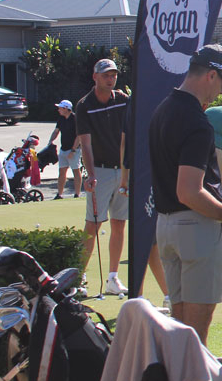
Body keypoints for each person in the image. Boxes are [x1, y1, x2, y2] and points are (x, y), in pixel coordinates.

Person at [148, 44, 222, 343]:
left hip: (166, 226)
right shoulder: (197, 121)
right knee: (195, 339)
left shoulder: (162, 109)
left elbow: (183, 184)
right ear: (211, 75)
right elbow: (188, 191)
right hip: (194, 230)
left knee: (179, 333)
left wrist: (221, 201)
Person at [76, 58, 166, 299]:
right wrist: (91, 174)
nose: (111, 78)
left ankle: (113, 278)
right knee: (93, 225)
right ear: (95, 77)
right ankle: (78, 278)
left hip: (125, 171)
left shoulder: (124, 101)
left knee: (119, 223)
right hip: (101, 171)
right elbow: (86, 144)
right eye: (106, 74)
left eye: (113, 74)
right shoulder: (84, 105)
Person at [49, 99, 82, 199]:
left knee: (76, 171)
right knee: (62, 171)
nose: (58, 109)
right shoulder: (61, 119)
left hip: (74, 150)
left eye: (60, 108)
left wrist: (73, 150)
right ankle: (59, 194)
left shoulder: (75, 119)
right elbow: (56, 131)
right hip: (63, 149)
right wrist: (50, 141)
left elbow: (79, 136)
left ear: (66, 109)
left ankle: (77, 194)